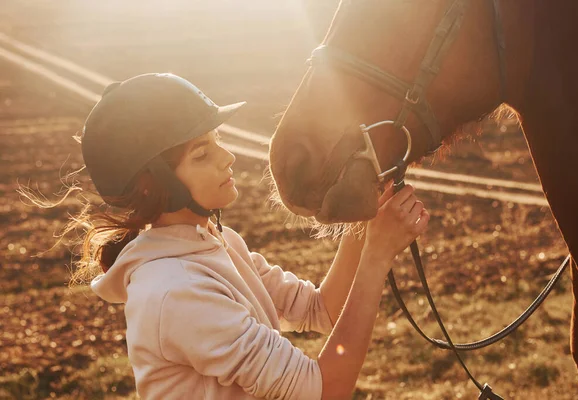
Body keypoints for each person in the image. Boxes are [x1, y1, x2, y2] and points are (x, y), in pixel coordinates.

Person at [71, 73, 430, 399]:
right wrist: (377, 255)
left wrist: (366, 218)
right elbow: (325, 390)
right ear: (154, 186)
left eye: (218, 141)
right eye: (202, 154)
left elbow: (323, 310)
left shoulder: (215, 243)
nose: (227, 157)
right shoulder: (175, 293)